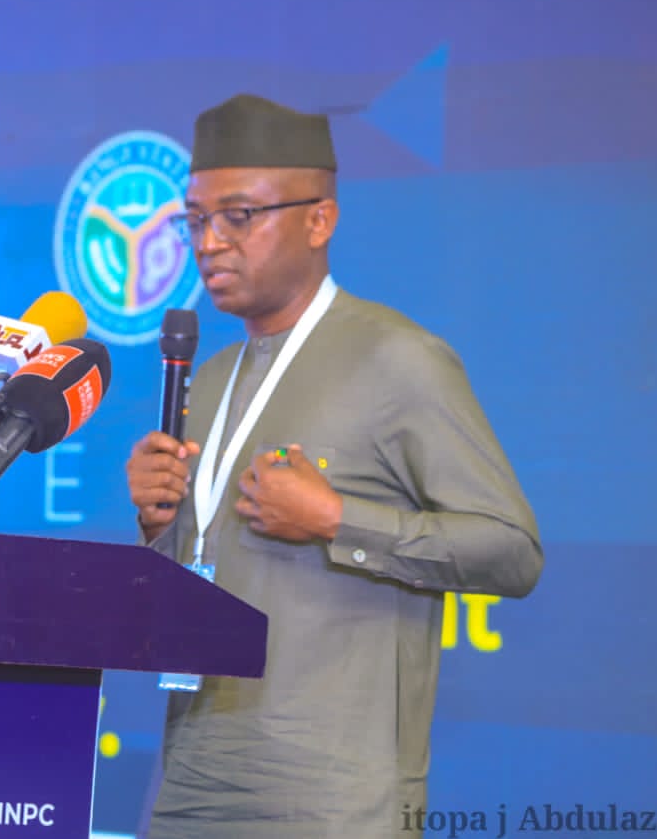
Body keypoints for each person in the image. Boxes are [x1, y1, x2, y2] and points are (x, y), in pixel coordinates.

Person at [126, 93, 543, 839]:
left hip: (331, 797)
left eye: (238, 216)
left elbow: (513, 550)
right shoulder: (207, 379)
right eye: (195, 219)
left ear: (319, 219)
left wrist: (335, 520)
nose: (210, 242)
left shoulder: (398, 359)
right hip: (192, 781)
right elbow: (195, 581)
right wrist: (158, 525)